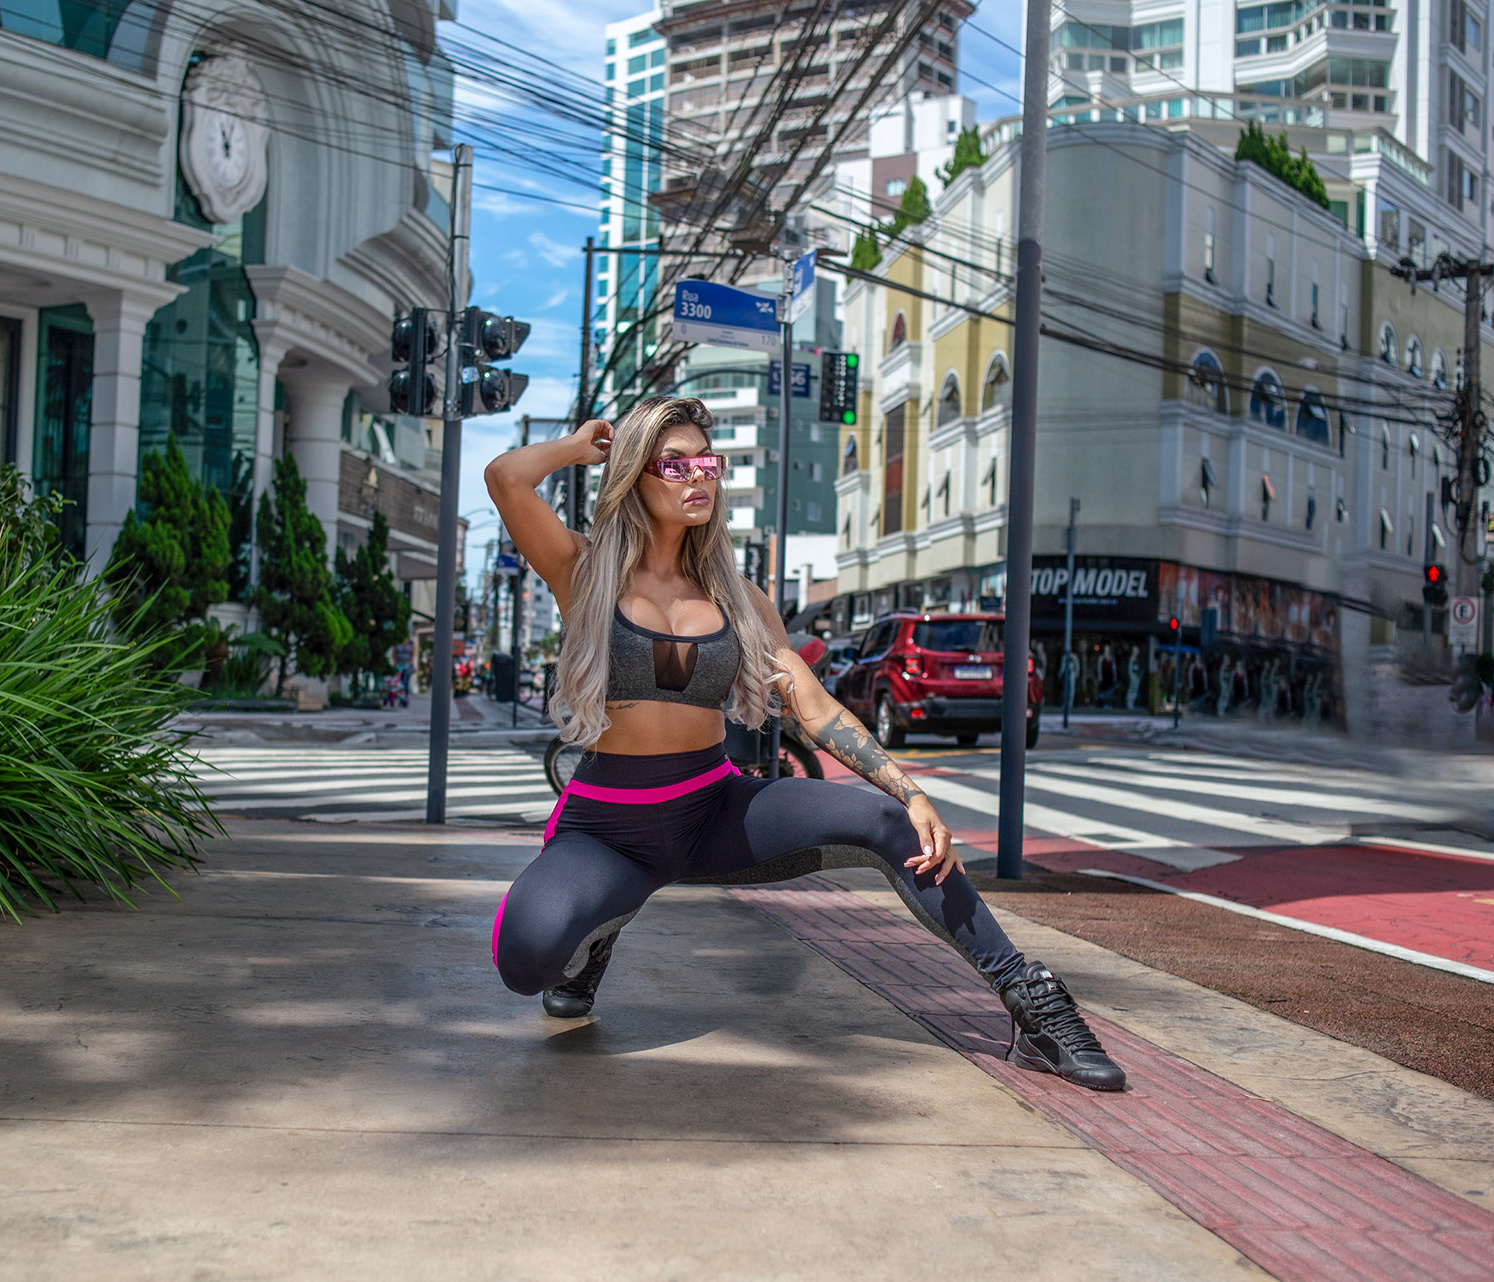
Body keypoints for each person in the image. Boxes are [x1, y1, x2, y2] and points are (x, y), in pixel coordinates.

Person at [482, 397, 1125, 1092]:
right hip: (607, 831)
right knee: (527, 960)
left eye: (707, 463)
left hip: (712, 809)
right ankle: (592, 937)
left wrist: (911, 793)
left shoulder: (739, 598)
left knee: (891, 822)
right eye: (674, 464)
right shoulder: (584, 570)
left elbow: (814, 708)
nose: (697, 476)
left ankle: (1033, 1001)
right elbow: (506, 478)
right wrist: (581, 447)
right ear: (636, 475)